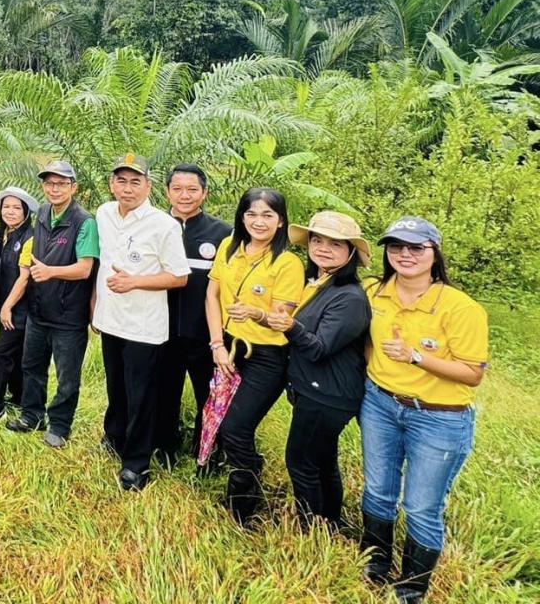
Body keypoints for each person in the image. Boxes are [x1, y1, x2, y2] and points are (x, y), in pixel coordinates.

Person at [358, 217, 488, 603]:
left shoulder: (460, 307)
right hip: (380, 405)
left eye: (416, 247)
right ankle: (375, 565)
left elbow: (472, 374)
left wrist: (416, 358)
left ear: (434, 253)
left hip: (439, 417)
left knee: (421, 505)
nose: (405, 254)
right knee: (378, 490)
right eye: (396, 247)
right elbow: (365, 342)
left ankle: (411, 589)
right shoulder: (374, 294)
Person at [264, 211, 372, 529]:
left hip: (327, 394)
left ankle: (310, 526)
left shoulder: (349, 297)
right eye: (317, 240)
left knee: (300, 461)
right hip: (318, 389)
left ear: (351, 252)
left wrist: (291, 326)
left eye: (335, 244)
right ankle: (329, 522)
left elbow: (319, 348)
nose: (323, 248)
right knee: (323, 460)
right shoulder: (321, 285)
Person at [205, 187, 305, 525]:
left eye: (267, 215)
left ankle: (247, 500)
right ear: (241, 217)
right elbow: (212, 293)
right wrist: (217, 344)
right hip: (229, 348)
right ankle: (237, 486)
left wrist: (256, 313)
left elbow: (280, 318)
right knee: (221, 421)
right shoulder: (229, 247)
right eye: (251, 214)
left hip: (267, 356)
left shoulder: (288, 263)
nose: (258, 221)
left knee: (235, 427)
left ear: (280, 222)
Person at [92, 154, 189, 490]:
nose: (127, 188)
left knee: (141, 395)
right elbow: (103, 265)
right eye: (121, 180)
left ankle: (136, 463)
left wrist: (135, 282)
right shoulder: (104, 213)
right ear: (111, 184)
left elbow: (178, 277)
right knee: (116, 387)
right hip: (110, 318)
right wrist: (95, 305)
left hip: (144, 327)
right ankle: (114, 437)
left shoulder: (164, 225)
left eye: (135, 181)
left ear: (148, 186)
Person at [2, 162, 99, 448]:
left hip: (69, 315)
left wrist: (51, 272)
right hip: (39, 309)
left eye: (61, 183)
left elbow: (85, 268)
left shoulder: (84, 222)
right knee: (32, 365)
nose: (54, 189)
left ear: (74, 187)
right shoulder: (42, 213)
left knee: (67, 376)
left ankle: (60, 425)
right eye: (49, 183)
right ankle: (32, 415)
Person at [153, 164, 231, 467]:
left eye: (192, 189)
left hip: (204, 334)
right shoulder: (155, 226)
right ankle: (164, 449)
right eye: (177, 189)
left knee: (207, 397)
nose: (184, 195)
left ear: (204, 193)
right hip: (161, 330)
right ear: (167, 191)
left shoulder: (223, 233)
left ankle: (208, 454)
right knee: (164, 394)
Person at [0, 186, 38, 420]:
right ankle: (19, 396)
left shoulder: (30, 238)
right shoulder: (2, 234)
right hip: (7, 305)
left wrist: (8, 306)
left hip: (21, 308)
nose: (11, 212)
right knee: (17, 354)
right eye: (7, 207)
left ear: (26, 212)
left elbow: (24, 277)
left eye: (17, 208)